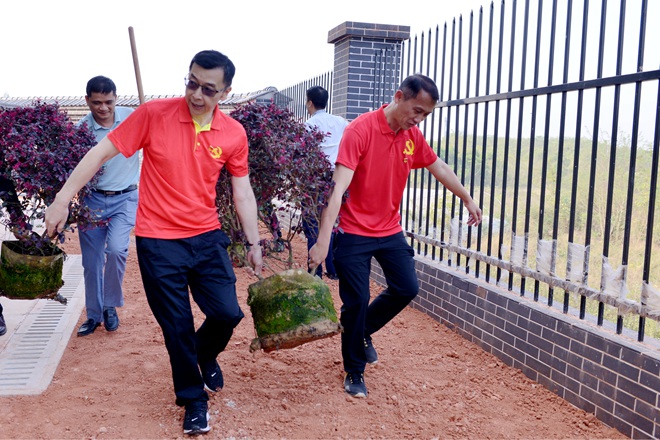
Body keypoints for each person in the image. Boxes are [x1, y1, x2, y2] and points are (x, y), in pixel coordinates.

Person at [45, 50, 263, 436]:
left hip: (206, 236)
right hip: (159, 240)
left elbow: (242, 191)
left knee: (228, 313)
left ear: (225, 92)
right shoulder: (153, 114)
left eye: (208, 89)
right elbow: (100, 153)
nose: (196, 94)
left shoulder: (233, 133)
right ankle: (193, 399)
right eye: (192, 83)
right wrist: (63, 199)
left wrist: (254, 241)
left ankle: (204, 354)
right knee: (176, 325)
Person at [308, 74, 482, 399]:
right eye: (417, 110)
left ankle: (362, 331)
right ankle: (354, 370)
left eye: (426, 115)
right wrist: (322, 241)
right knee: (356, 301)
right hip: (353, 231)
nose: (419, 119)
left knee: (406, 288)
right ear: (399, 97)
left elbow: (439, 166)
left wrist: (467, 198)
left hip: (389, 229)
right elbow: (338, 188)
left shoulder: (412, 135)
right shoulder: (360, 130)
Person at [75, 76, 139, 337]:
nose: (103, 108)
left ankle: (110, 306)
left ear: (116, 98)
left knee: (116, 249)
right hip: (92, 201)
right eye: (97, 102)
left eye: (108, 102)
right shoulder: (81, 130)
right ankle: (94, 315)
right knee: (92, 263)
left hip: (126, 198)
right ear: (87, 100)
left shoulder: (132, 118)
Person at [302, 85, 348, 280]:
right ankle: (333, 269)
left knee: (312, 223)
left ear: (310, 103)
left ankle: (315, 272)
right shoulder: (341, 122)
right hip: (337, 177)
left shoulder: (308, 125)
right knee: (331, 221)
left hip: (314, 179)